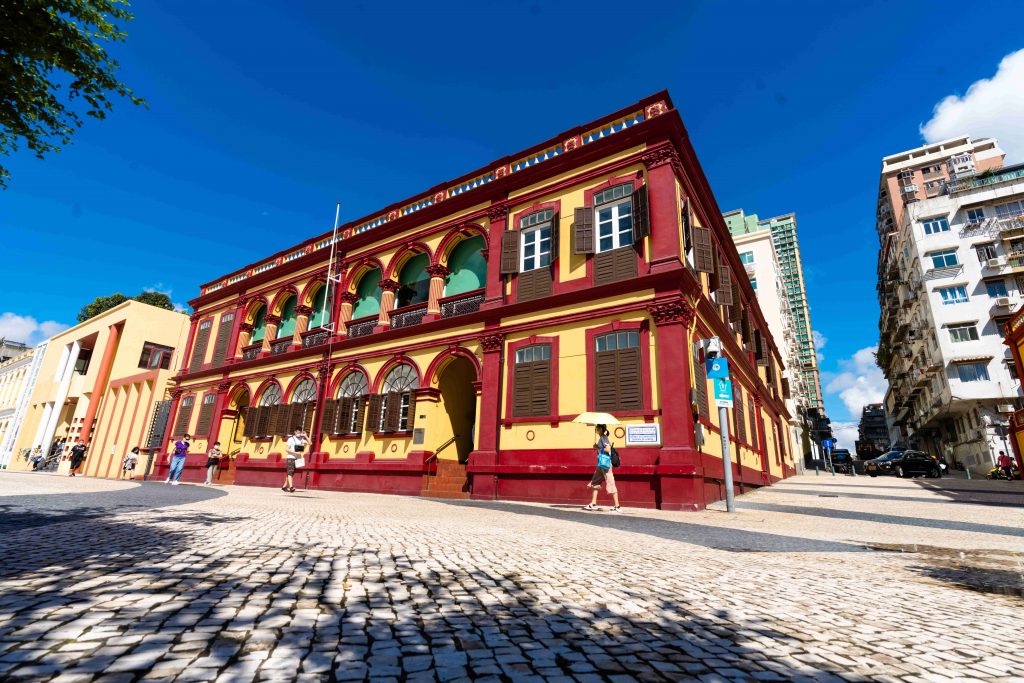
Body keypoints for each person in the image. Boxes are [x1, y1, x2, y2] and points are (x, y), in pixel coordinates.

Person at [584, 424, 620, 512]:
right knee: (595, 481)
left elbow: (608, 449)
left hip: (606, 465)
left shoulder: (604, 438)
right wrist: (598, 448)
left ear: (601, 429)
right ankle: (593, 503)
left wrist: (598, 447)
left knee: (611, 482)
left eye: (597, 428)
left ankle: (617, 506)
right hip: (601, 464)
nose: (596, 429)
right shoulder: (601, 438)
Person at [283, 427, 308, 493]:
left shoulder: (301, 439)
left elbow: (310, 443)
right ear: (295, 432)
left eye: (300, 432)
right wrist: (295, 452)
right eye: (298, 432)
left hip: (297, 458)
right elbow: (287, 449)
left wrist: (306, 436)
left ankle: (284, 486)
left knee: (291, 473)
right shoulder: (291, 439)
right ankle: (291, 487)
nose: (299, 433)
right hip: (290, 457)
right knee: (290, 472)